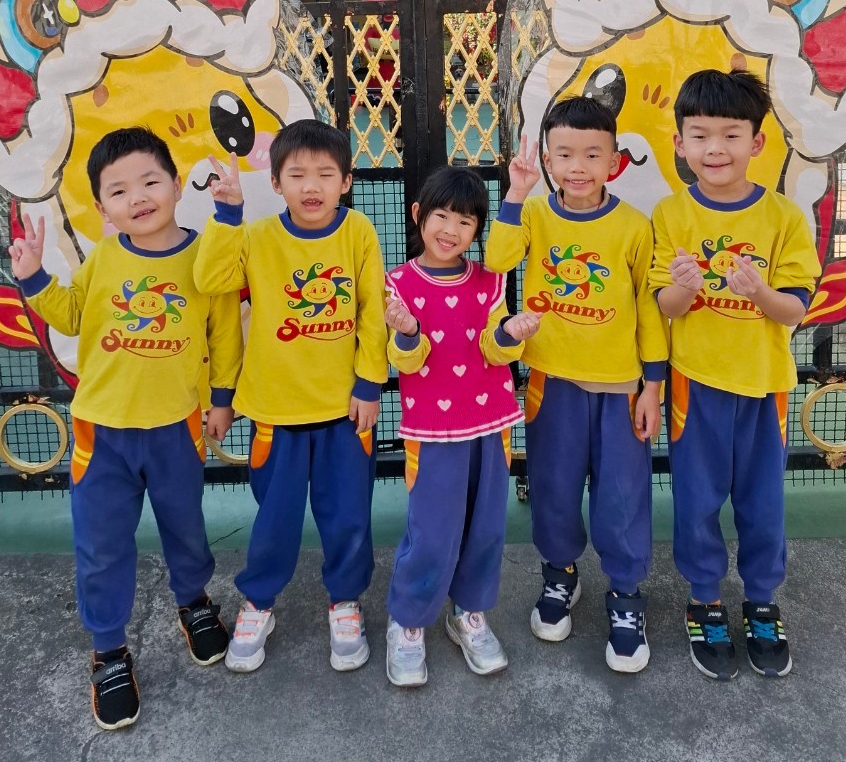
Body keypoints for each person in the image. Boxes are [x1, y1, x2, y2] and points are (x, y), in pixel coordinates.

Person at [10, 127, 242, 732]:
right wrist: (34, 278)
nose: (137, 197)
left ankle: (193, 601)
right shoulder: (104, 258)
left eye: (149, 181)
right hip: (102, 435)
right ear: (101, 206)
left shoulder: (205, 258)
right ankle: (109, 649)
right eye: (118, 190)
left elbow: (224, 334)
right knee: (102, 542)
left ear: (175, 185)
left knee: (185, 526)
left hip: (176, 429)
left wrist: (221, 400)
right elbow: (69, 315)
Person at [194, 118, 387, 674]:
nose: (312, 186)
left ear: (346, 181)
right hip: (274, 411)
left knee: (348, 516)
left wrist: (369, 384)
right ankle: (258, 602)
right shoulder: (256, 236)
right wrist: (227, 212)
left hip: (344, 412)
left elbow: (372, 312)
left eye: (325, 173)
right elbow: (210, 280)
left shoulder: (359, 232)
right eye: (297, 174)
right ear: (275, 183)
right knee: (274, 519)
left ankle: (345, 601)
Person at [486, 96, 667, 673]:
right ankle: (560, 574)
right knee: (555, 489)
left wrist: (653, 386)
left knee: (622, 497)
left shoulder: (634, 226)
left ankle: (626, 595)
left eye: (593, 154)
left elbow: (649, 311)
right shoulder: (535, 214)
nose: (578, 166)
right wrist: (516, 193)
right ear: (547, 159)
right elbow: (496, 260)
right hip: (552, 385)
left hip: (620, 390)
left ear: (614, 161)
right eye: (564, 154)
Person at [651, 68, 819, 680]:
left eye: (730, 134)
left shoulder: (783, 218)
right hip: (694, 384)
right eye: (699, 135)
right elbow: (665, 306)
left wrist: (761, 293)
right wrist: (683, 288)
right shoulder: (670, 214)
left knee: (762, 502)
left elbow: (794, 309)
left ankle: (762, 600)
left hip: (764, 385)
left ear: (757, 142)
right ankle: (704, 600)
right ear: (679, 143)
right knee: (696, 500)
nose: (714, 149)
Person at [383, 166, 539, 687]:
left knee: (486, 527)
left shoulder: (491, 282)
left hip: (491, 424)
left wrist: (511, 331)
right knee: (432, 532)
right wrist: (408, 332)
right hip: (431, 432)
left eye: (465, 222)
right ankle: (408, 620)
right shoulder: (397, 284)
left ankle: (469, 614)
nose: (450, 230)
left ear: (477, 231)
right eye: (441, 216)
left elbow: (495, 350)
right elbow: (404, 361)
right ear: (418, 216)